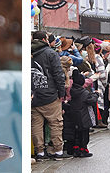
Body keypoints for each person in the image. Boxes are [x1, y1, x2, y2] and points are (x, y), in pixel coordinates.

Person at [30, 31, 71, 160]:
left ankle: (40, 152)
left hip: (33, 96)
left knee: (36, 125)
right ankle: (58, 151)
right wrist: (61, 92)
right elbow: (58, 74)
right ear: (44, 39)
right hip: (50, 94)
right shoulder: (50, 53)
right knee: (56, 123)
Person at [67, 71, 97, 158]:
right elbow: (91, 101)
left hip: (75, 115)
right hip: (84, 116)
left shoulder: (73, 91)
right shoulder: (84, 93)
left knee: (77, 133)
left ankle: (76, 149)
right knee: (84, 135)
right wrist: (96, 95)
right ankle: (83, 150)